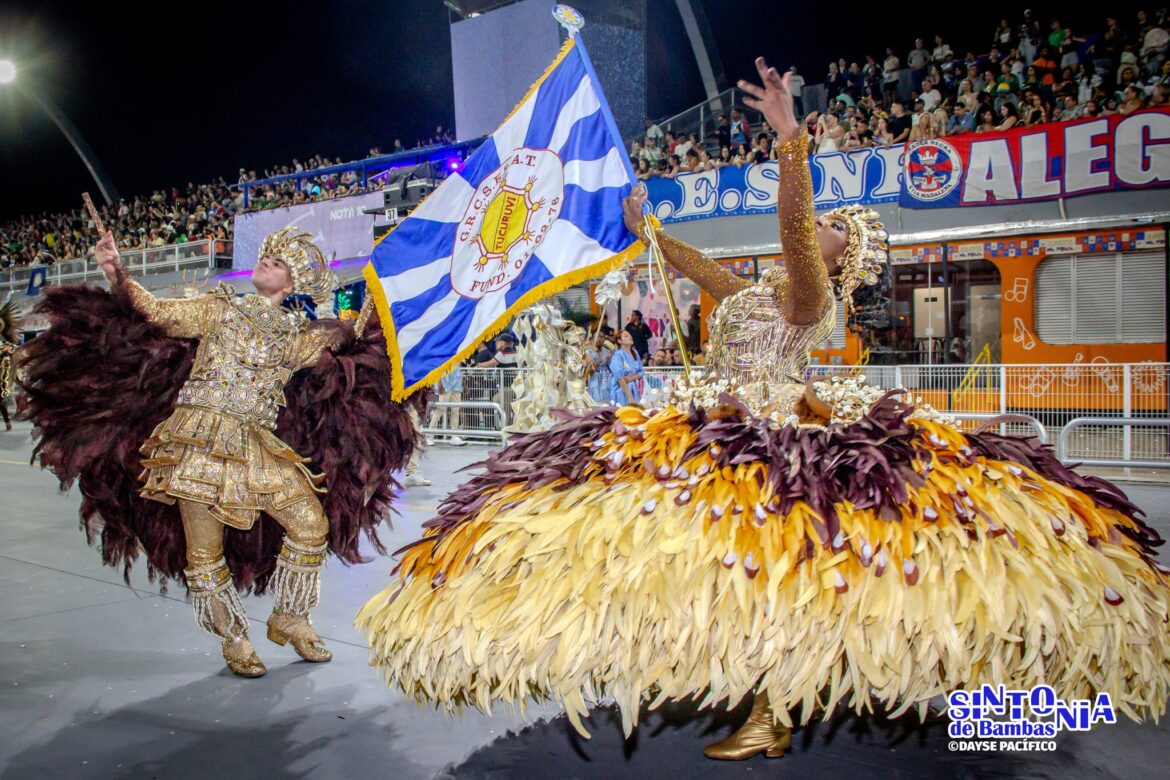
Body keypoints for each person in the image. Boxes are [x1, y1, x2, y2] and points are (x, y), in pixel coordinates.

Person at [356, 56, 1170, 764]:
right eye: (825, 227)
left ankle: (770, 715)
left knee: (774, 574)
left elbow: (792, 227)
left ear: (840, 261)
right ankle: (706, 672)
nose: (820, 234)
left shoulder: (809, 297)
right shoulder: (757, 294)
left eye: (835, 232)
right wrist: (649, 228)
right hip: (712, 427)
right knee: (702, 566)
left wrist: (790, 142)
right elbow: (700, 268)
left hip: (773, 443)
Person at [23, 227, 421, 677]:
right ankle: (233, 638)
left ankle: (290, 616)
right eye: (266, 256)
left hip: (257, 447)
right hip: (198, 443)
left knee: (311, 525)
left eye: (278, 262)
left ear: (291, 285)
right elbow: (157, 312)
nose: (267, 261)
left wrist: (370, 319)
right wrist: (116, 270)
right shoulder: (219, 308)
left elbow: (344, 347)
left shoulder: (297, 336)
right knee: (204, 554)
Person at [607, 330, 643, 405]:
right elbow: (620, 378)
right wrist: (630, 397)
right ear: (619, 341)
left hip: (633, 388)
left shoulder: (635, 352)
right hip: (621, 390)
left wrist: (630, 378)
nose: (630, 337)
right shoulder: (618, 355)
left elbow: (641, 372)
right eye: (626, 336)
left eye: (629, 335)